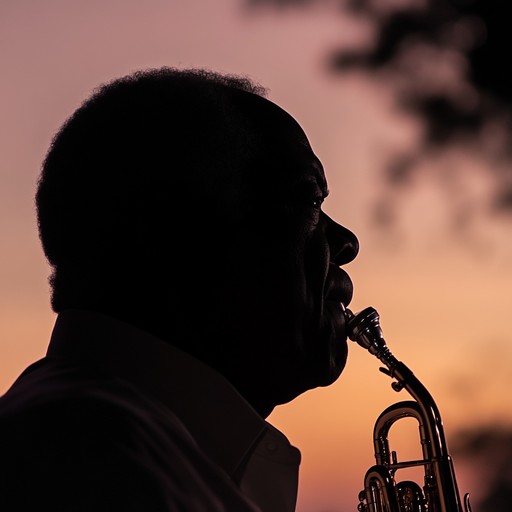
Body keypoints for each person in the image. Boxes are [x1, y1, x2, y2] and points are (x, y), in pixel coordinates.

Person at [0, 68, 358, 511]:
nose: (346, 242)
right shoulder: (92, 463)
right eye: (307, 202)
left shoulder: (108, 443)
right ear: (176, 233)